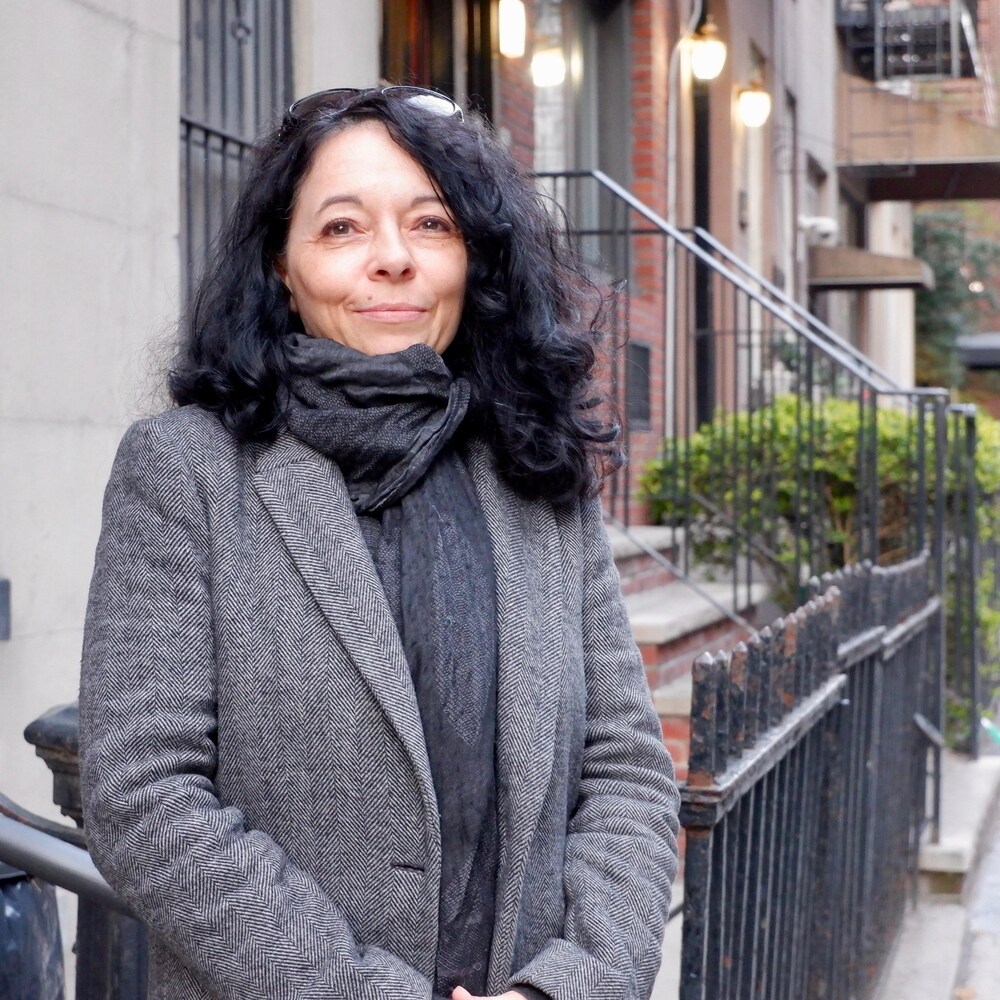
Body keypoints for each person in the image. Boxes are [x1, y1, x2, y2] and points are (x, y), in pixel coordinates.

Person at [78, 87, 680, 1000]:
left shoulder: (532, 465)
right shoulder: (187, 472)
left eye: (430, 224)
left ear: (473, 257)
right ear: (282, 264)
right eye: (343, 228)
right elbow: (144, 796)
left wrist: (570, 986)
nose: (392, 260)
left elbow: (625, 767)